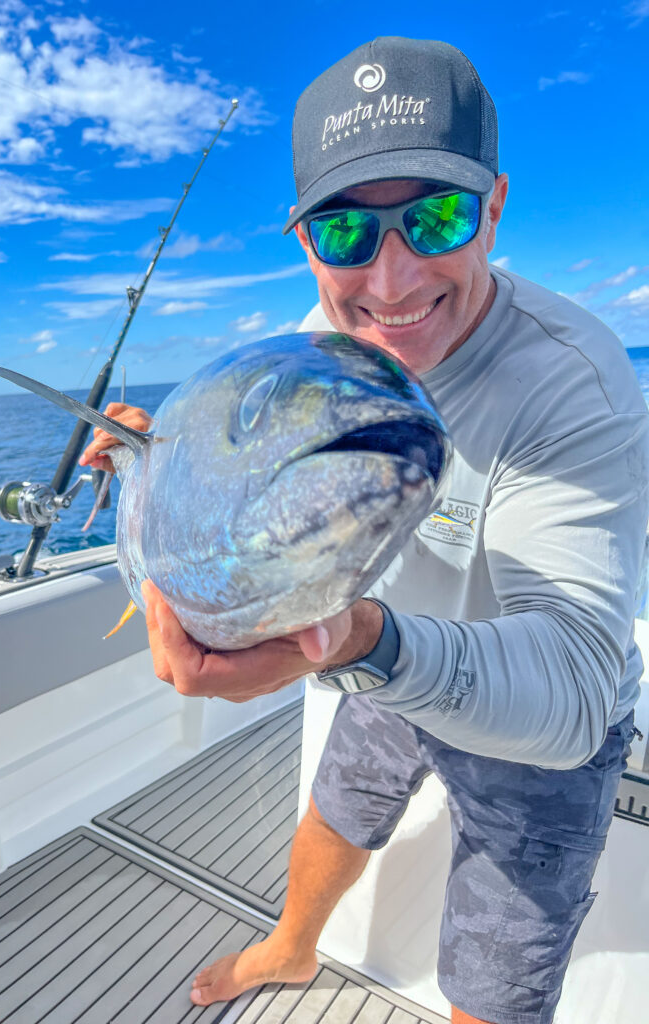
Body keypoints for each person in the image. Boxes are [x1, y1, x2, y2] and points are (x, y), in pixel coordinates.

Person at [80, 37, 649, 1024]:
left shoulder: (576, 382)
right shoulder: (321, 345)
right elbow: (255, 474)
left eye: (433, 218)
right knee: (336, 811)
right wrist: (158, 457)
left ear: (494, 210)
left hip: (527, 713)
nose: (389, 282)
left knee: (496, 976)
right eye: (346, 233)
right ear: (308, 242)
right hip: (382, 646)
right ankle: (293, 948)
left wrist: (356, 642)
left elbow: (569, 689)